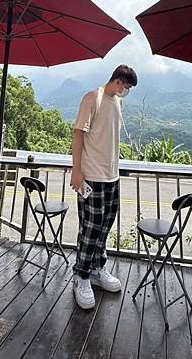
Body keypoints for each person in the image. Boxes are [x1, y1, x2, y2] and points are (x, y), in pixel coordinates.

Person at [70, 64, 138, 309]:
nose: (126, 91)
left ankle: (98, 268)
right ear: (118, 81)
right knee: (90, 228)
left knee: (104, 226)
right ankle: (81, 275)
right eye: (127, 87)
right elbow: (78, 133)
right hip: (91, 178)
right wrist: (76, 170)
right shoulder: (92, 98)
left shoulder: (116, 103)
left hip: (111, 178)